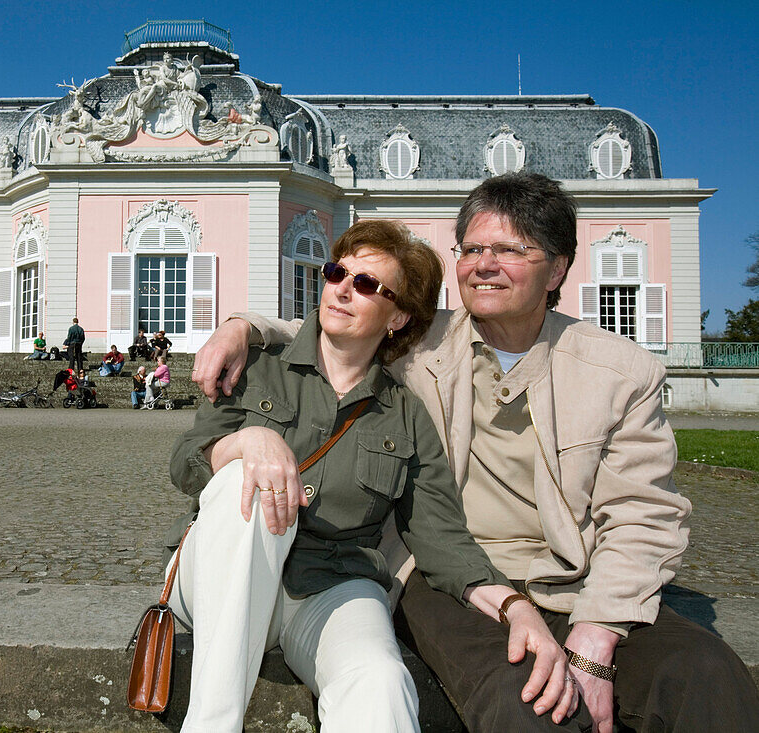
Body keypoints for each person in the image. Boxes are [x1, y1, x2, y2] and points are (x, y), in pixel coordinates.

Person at [193, 173, 759, 732]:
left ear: (558, 267)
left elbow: (644, 515)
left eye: (510, 249)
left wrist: (596, 634)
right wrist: (239, 326)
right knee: (524, 702)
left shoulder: (621, 371)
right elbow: (335, 319)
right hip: (455, 578)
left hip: (585, 583)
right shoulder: (420, 343)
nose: (484, 263)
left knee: (707, 673)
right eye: (472, 248)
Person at [168, 219, 571, 732]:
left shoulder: (403, 414)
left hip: (329, 587)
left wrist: (514, 606)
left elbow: (441, 537)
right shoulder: (257, 365)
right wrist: (246, 441)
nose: (342, 288)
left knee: (380, 679)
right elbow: (185, 462)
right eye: (338, 271)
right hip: (220, 577)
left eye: (366, 284)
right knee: (241, 483)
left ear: (398, 316)